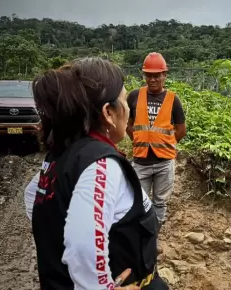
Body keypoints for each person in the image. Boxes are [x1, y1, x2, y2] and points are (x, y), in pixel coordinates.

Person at [24, 57, 169, 290]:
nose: (128, 108)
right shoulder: (101, 165)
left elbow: (34, 199)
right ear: (108, 112)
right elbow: (83, 245)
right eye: (123, 99)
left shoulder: (63, 154)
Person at [126, 52, 186, 248]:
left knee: (160, 203)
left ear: (164, 75)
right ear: (144, 76)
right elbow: (128, 124)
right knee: (139, 203)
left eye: (157, 75)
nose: (153, 79)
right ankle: (140, 238)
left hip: (164, 163)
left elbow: (181, 130)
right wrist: (138, 140)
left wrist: (164, 144)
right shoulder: (134, 96)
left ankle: (153, 237)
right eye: (149, 75)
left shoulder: (173, 100)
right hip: (141, 162)